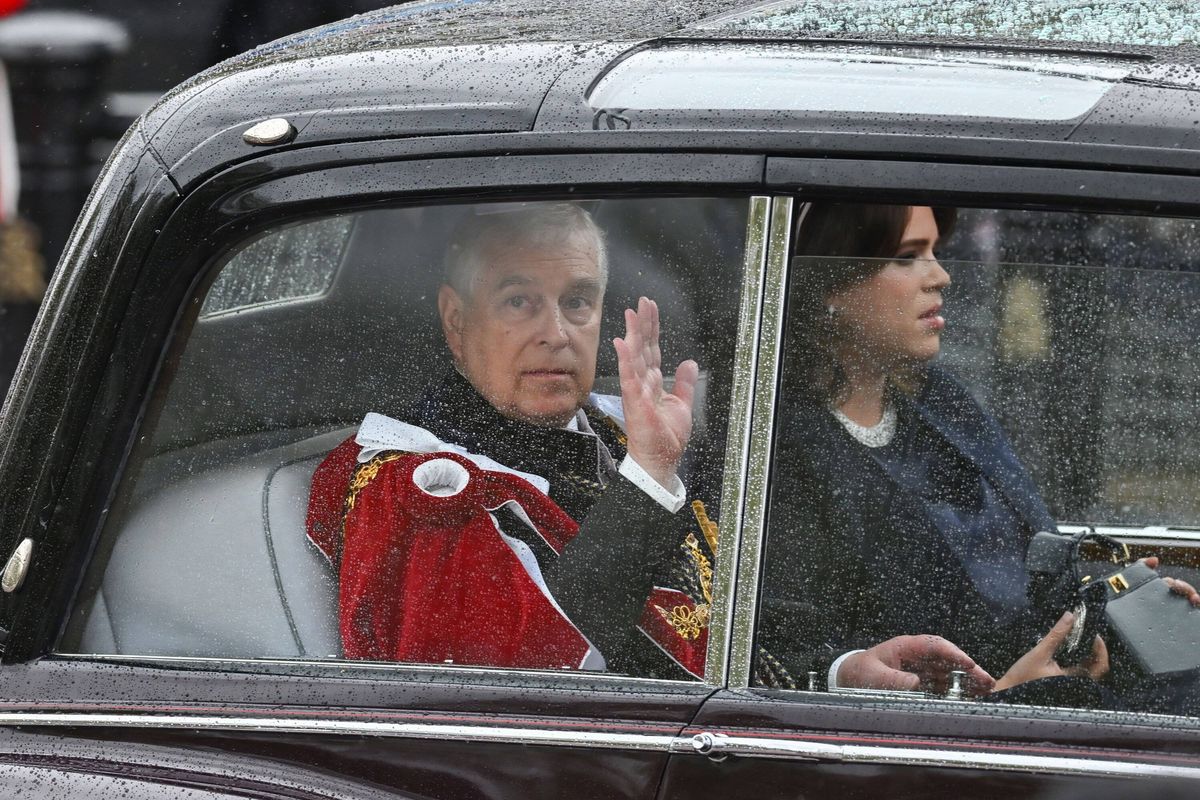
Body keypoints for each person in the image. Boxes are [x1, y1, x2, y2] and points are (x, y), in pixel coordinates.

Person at [756, 202, 1200, 707]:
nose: (941, 276)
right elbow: (781, 655)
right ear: (832, 283)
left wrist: (1105, 602)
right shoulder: (778, 444)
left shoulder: (942, 404)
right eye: (907, 257)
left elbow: (1028, 559)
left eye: (936, 253)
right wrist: (1014, 696)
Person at [306, 202, 714, 678]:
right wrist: (648, 476)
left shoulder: (614, 426)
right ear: (456, 320)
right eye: (519, 301)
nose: (557, 335)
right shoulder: (419, 488)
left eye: (577, 302)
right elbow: (520, 688)